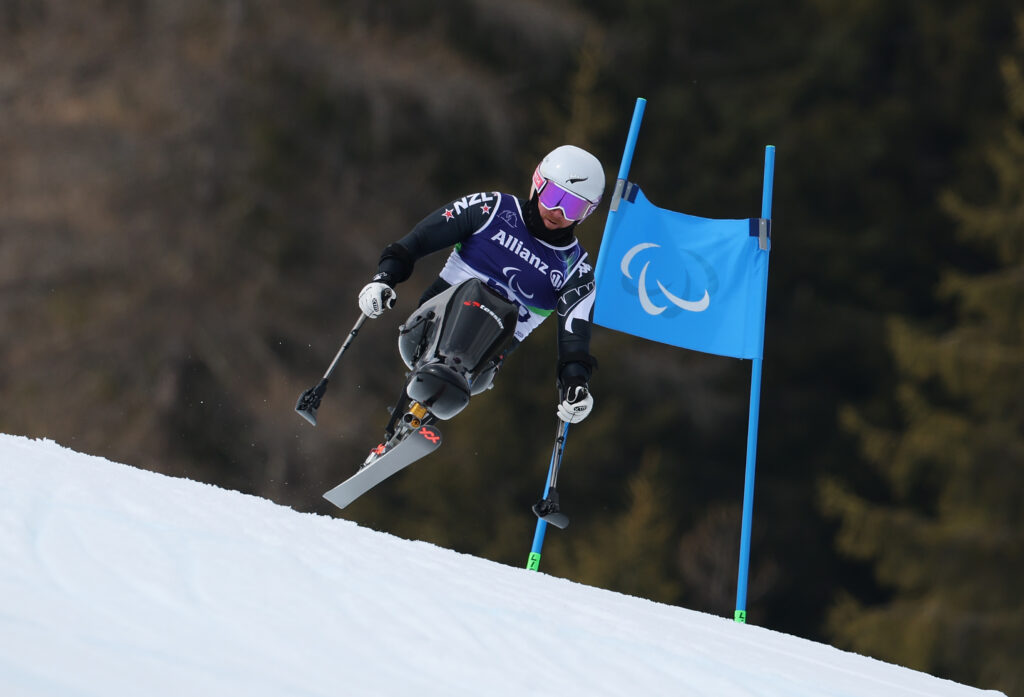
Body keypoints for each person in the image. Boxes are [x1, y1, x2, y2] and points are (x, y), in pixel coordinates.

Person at [357, 144, 604, 427]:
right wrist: (384, 279)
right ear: (537, 183)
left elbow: (574, 341)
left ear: (587, 213)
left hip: (480, 366)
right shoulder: (492, 208)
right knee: (476, 295)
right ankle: (406, 418)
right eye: (553, 196)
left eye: (572, 206)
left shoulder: (577, 269)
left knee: (496, 314)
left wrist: (577, 385)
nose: (557, 211)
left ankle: (407, 429)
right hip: (426, 331)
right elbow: (417, 242)